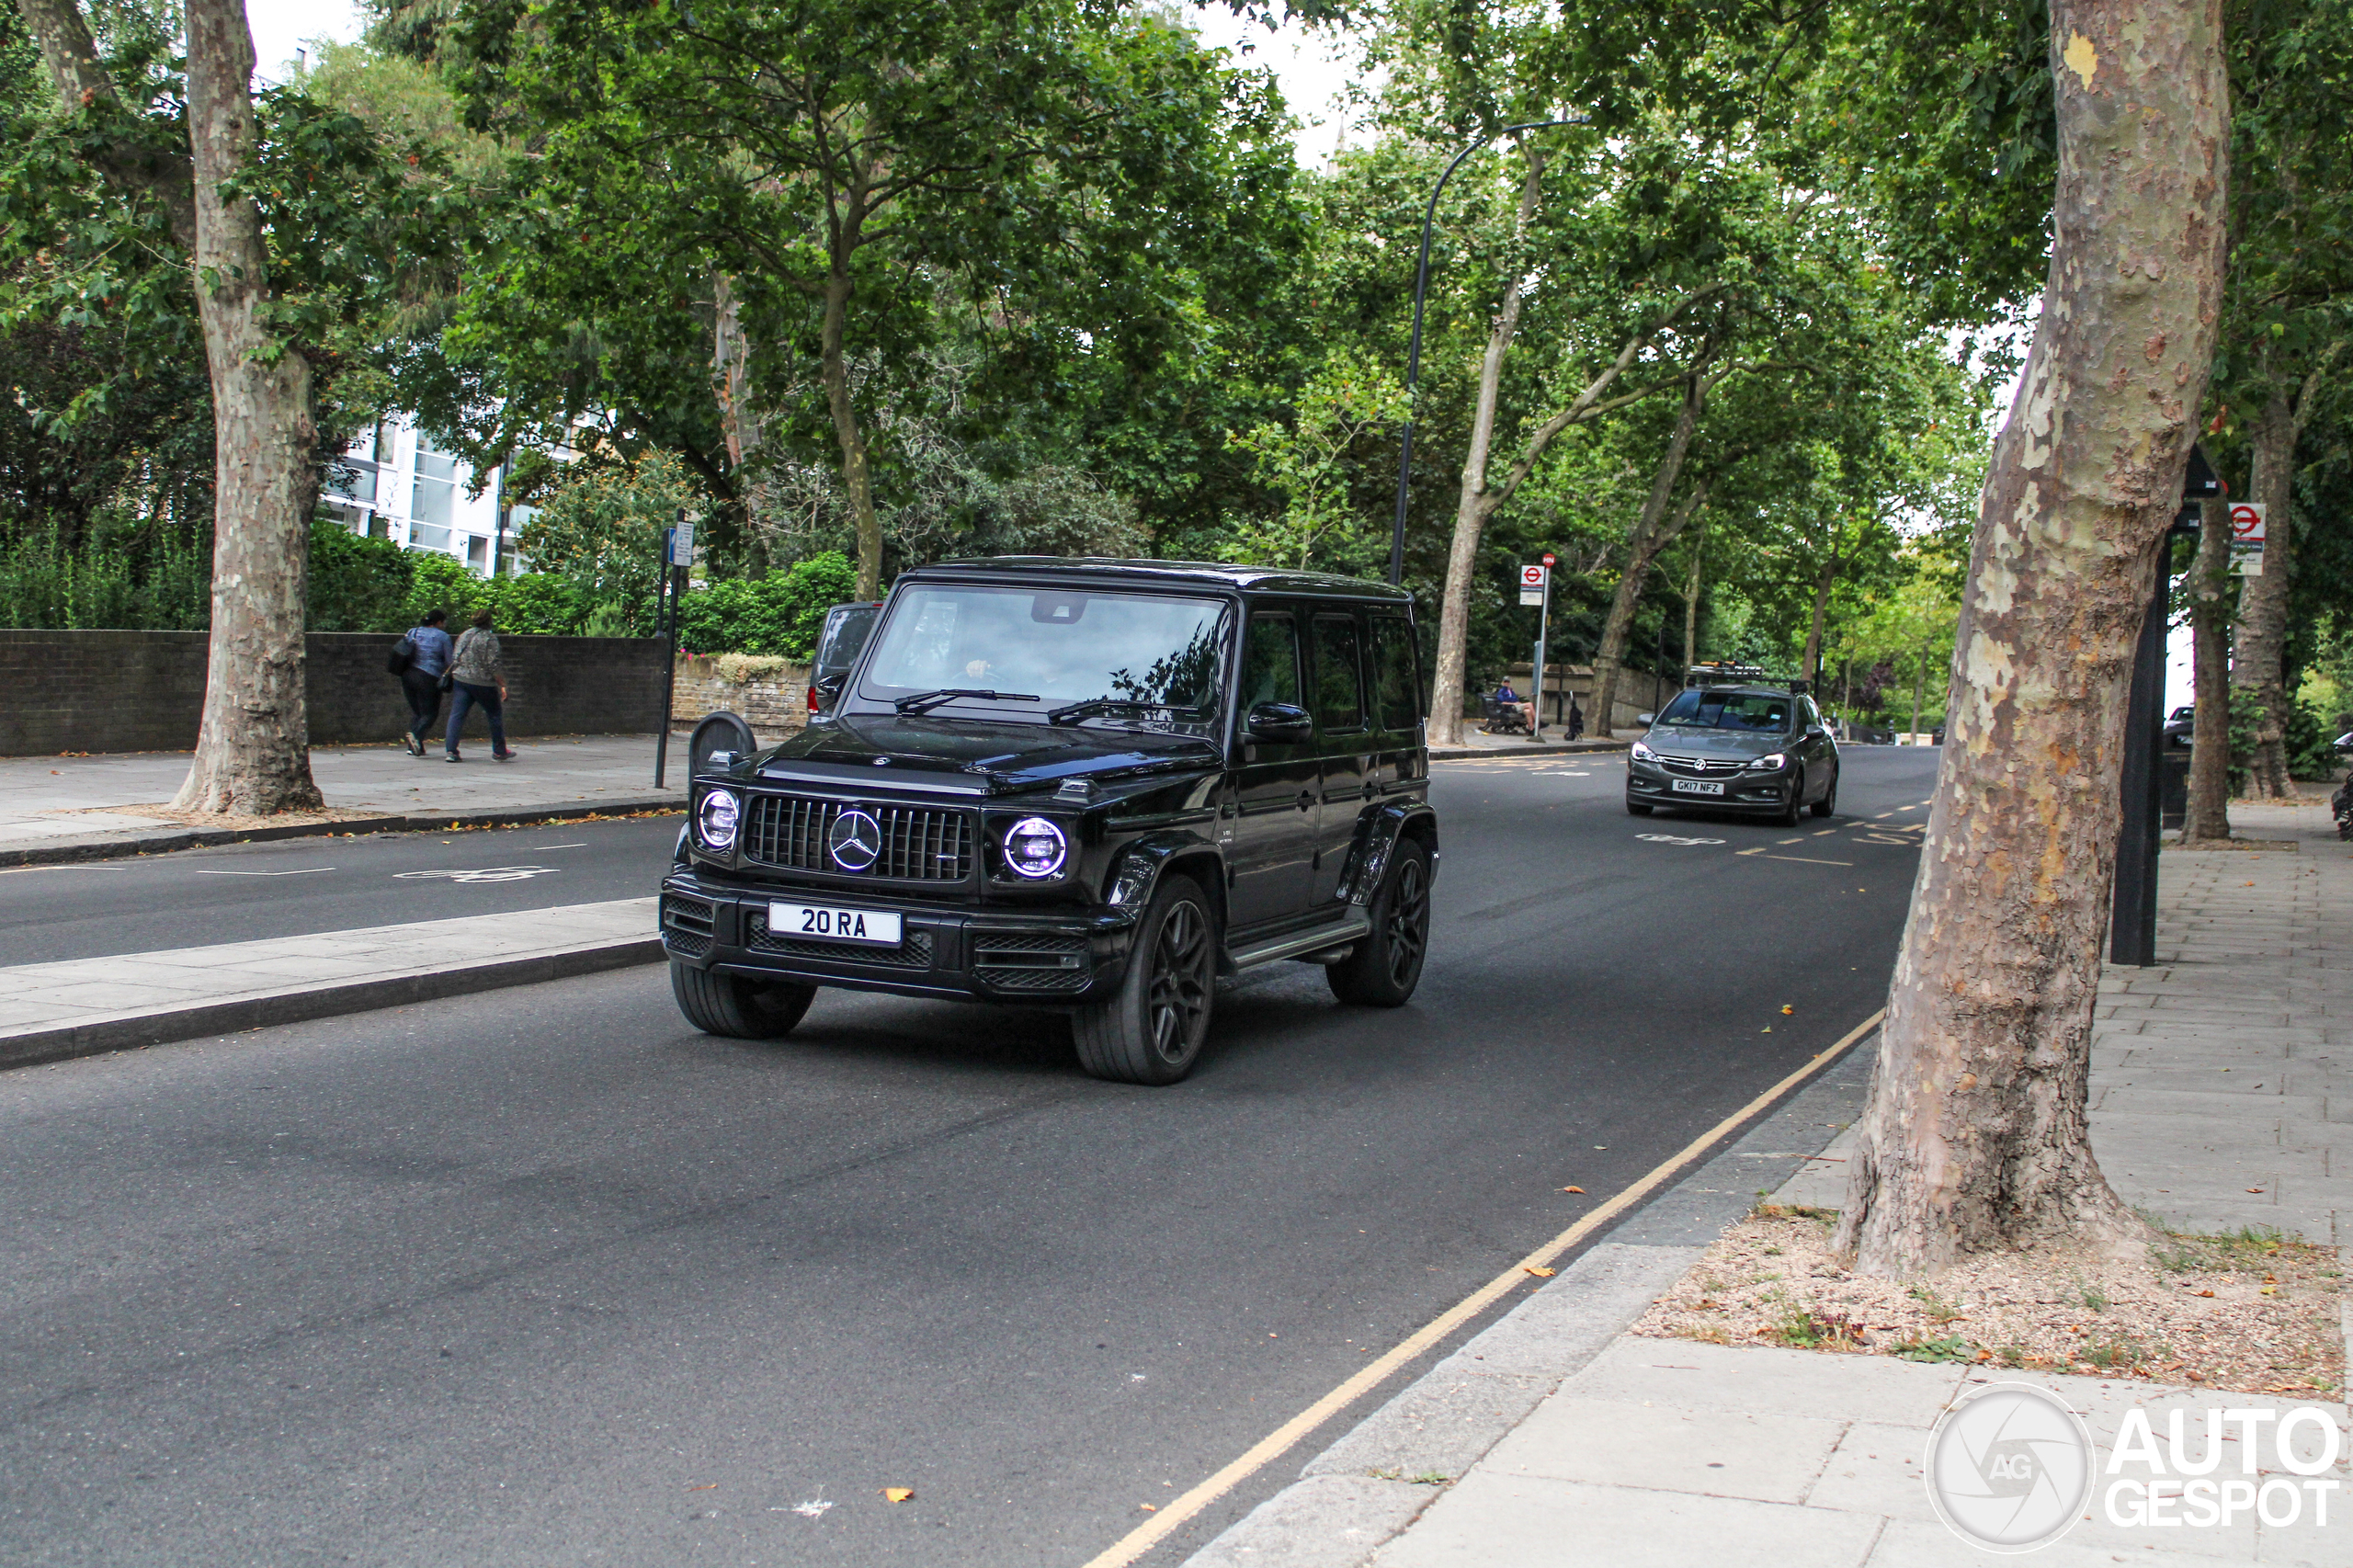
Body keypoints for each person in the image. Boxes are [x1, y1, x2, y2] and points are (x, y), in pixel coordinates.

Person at [445, 608, 517, 763]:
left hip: (461, 679)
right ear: (489, 621)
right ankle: (499, 751)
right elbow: (493, 664)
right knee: (494, 714)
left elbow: (455, 656)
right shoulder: (489, 639)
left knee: (457, 715)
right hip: (483, 683)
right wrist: (502, 684)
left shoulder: (464, 635)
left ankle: (451, 751)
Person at [393, 608, 453, 757]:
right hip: (428, 677)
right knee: (430, 713)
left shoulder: (413, 632)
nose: (444, 625)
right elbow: (450, 661)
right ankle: (415, 735)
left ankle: (414, 746)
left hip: (408, 675)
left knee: (418, 712)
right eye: (443, 622)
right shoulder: (443, 637)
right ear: (438, 622)